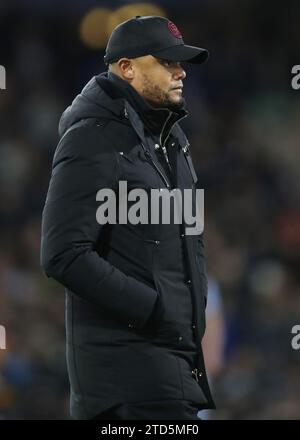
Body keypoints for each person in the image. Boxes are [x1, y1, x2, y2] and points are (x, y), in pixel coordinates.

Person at [40, 15, 215, 420]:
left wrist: (194, 309)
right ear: (127, 68)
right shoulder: (91, 138)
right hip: (123, 386)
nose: (180, 72)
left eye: (180, 63)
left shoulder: (174, 141)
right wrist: (153, 309)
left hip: (173, 371)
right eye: (167, 62)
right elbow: (62, 253)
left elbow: (193, 237)